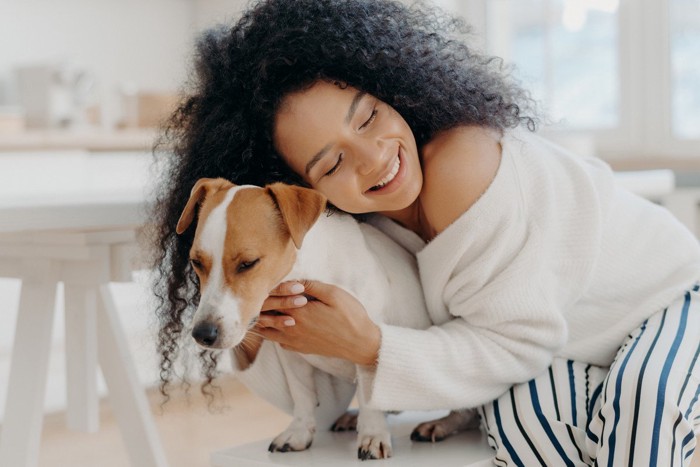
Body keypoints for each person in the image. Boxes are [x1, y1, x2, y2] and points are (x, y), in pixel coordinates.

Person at [150, 0, 700, 465]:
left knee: (641, 405)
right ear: (303, 193)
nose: (372, 159)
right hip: (562, 344)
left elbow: (514, 343)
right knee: (526, 432)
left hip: (666, 302)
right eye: (331, 163)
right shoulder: (347, 228)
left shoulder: (463, 165)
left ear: (391, 85)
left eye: (367, 117)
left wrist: (370, 345)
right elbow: (316, 397)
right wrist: (253, 324)